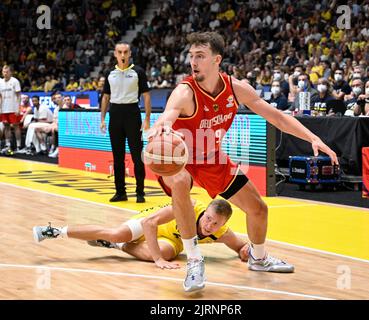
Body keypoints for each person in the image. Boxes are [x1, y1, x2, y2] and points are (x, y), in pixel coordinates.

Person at [147, 32, 338, 292]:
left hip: (212, 158)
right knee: (180, 180)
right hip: (180, 159)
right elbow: (167, 116)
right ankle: (194, 260)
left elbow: (278, 117)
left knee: (259, 209)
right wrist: (161, 128)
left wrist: (312, 137)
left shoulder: (236, 89)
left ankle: (258, 259)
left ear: (217, 60)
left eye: (200, 56)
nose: (193, 62)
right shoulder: (184, 91)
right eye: (191, 56)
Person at [32, 199, 250, 269]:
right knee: (117, 233)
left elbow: (241, 247)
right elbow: (149, 223)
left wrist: (250, 252)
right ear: (205, 211)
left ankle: (115, 247)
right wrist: (157, 259)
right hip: (149, 222)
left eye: (215, 223)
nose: (209, 225)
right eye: (208, 218)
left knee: (167, 253)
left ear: (224, 223)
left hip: (170, 239)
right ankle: (54, 231)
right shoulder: (187, 206)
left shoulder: (220, 232)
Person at [100, 41, 151, 204]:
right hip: (115, 114)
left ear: (130, 54)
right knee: (118, 157)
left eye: (125, 52)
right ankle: (120, 192)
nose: (123, 55)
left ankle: (140, 192)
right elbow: (106, 97)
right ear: (115, 54)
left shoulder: (138, 72)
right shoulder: (109, 73)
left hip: (132, 114)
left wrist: (148, 119)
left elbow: (146, 96)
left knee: (137, 156)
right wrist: (102, 118)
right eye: (119, 52)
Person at [0, 65, 22, 153]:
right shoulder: (0, 82)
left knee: (16, 126)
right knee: (6, 126)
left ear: (10, 72)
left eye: (7, 72)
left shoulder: (15, 81)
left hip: (13, 108)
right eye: (3, 72)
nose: (5, 73)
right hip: (4, 109)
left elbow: (19, 95)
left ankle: (19, 146)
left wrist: (18, 108)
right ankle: (8, 145)